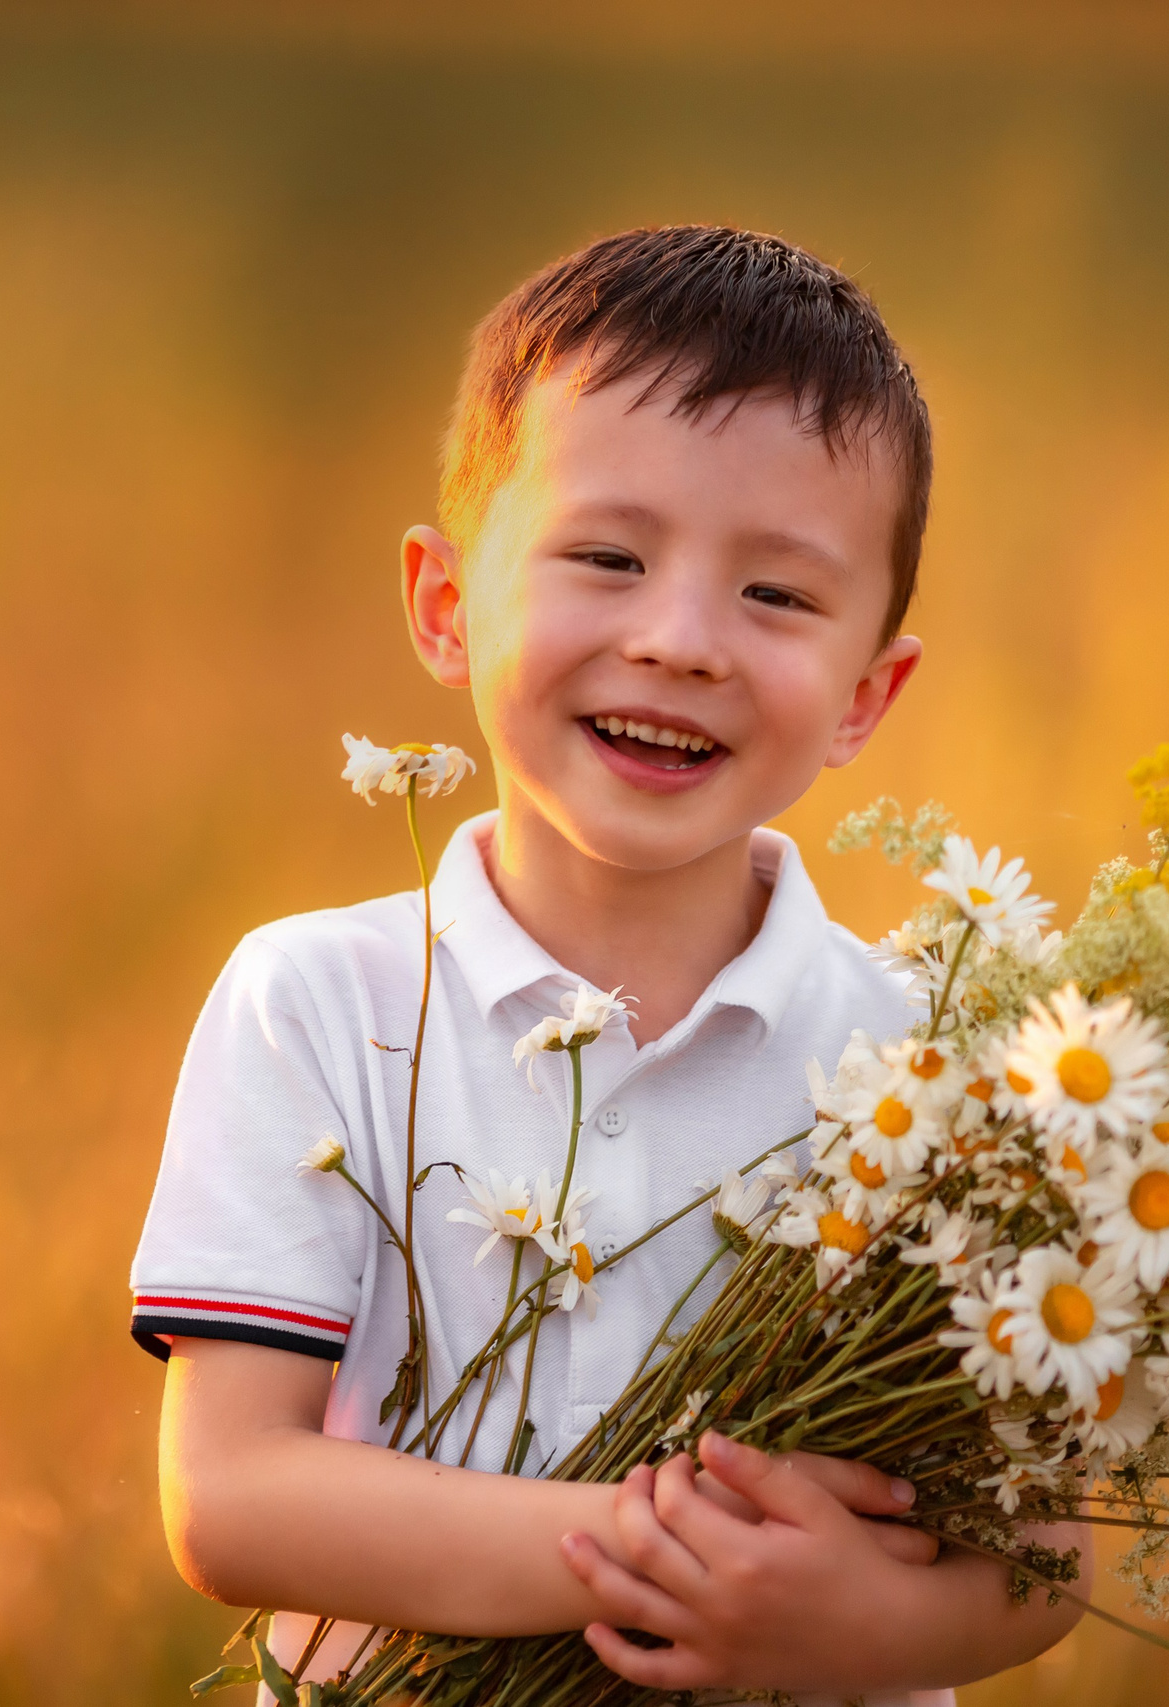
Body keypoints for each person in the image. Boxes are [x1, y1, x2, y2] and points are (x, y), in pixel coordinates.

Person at [131, 225, 1085, 1704]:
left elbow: (1046, 1551)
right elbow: (235, 1499)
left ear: (865, 695)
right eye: (607, 557)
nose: (683, 639)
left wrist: (853, 1624)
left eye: (777, 596)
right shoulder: (322, 1007)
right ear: (447, 605)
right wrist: (670, 1566)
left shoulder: (943, 1059)